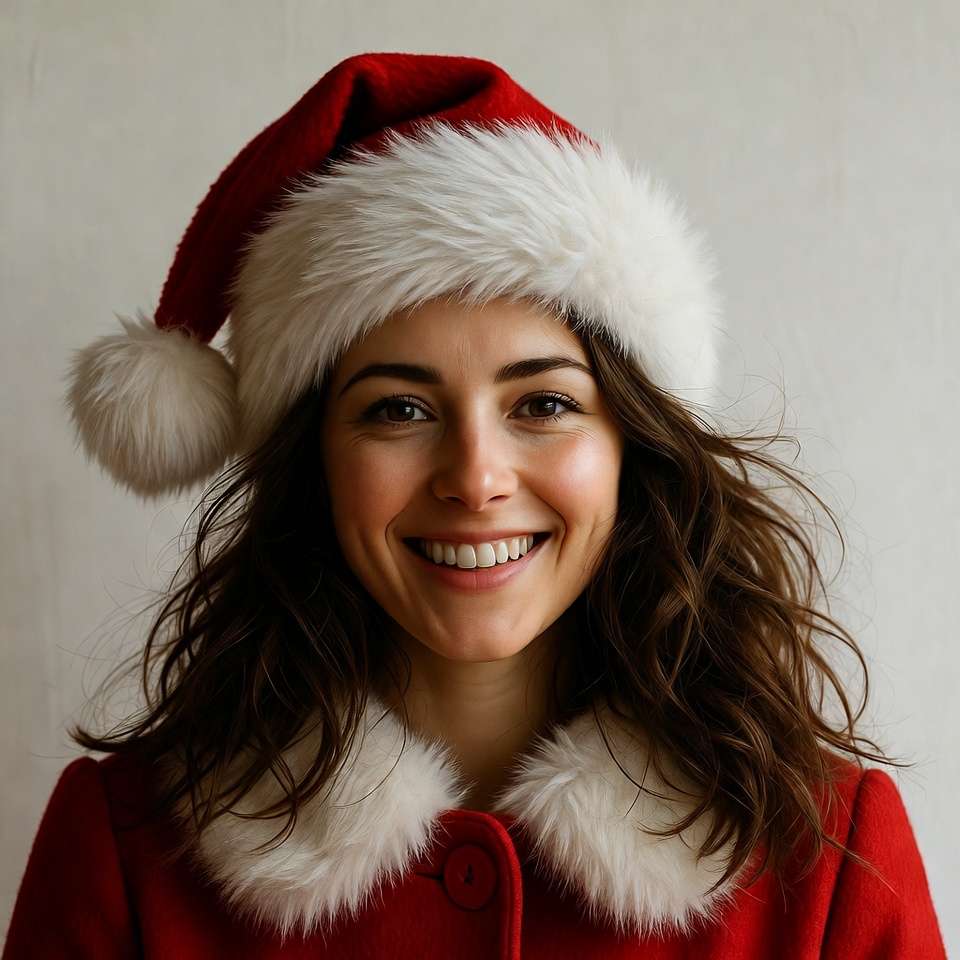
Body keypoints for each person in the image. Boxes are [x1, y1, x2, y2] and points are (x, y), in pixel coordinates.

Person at [3, 53, 945, 959]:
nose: (477, 477)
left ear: (635, 447)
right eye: (398, 409)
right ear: (313, 459)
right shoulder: (123, 851)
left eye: (544, 404)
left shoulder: (831, 859)